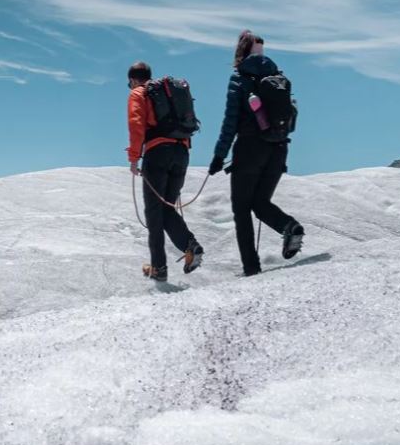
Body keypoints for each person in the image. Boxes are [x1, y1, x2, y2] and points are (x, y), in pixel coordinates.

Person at [209, 31, 305, 277]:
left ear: (239, 52)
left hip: (250, 148)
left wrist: (219, 156)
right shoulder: (279, 77)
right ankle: (289, 227)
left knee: (242, 209)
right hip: (280, 148)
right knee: (260, 203)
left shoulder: (239, 78)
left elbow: (230, 122)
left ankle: (251, 268)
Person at [127, 61, 203, 282]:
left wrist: (133, 158)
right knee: (167, 208)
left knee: (154, 214)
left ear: (132, 80)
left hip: (157, 153)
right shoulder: (168, 94)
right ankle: (191, 246)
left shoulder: (139, 93)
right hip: (182, 152)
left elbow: (136, 124)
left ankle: (159, 268)